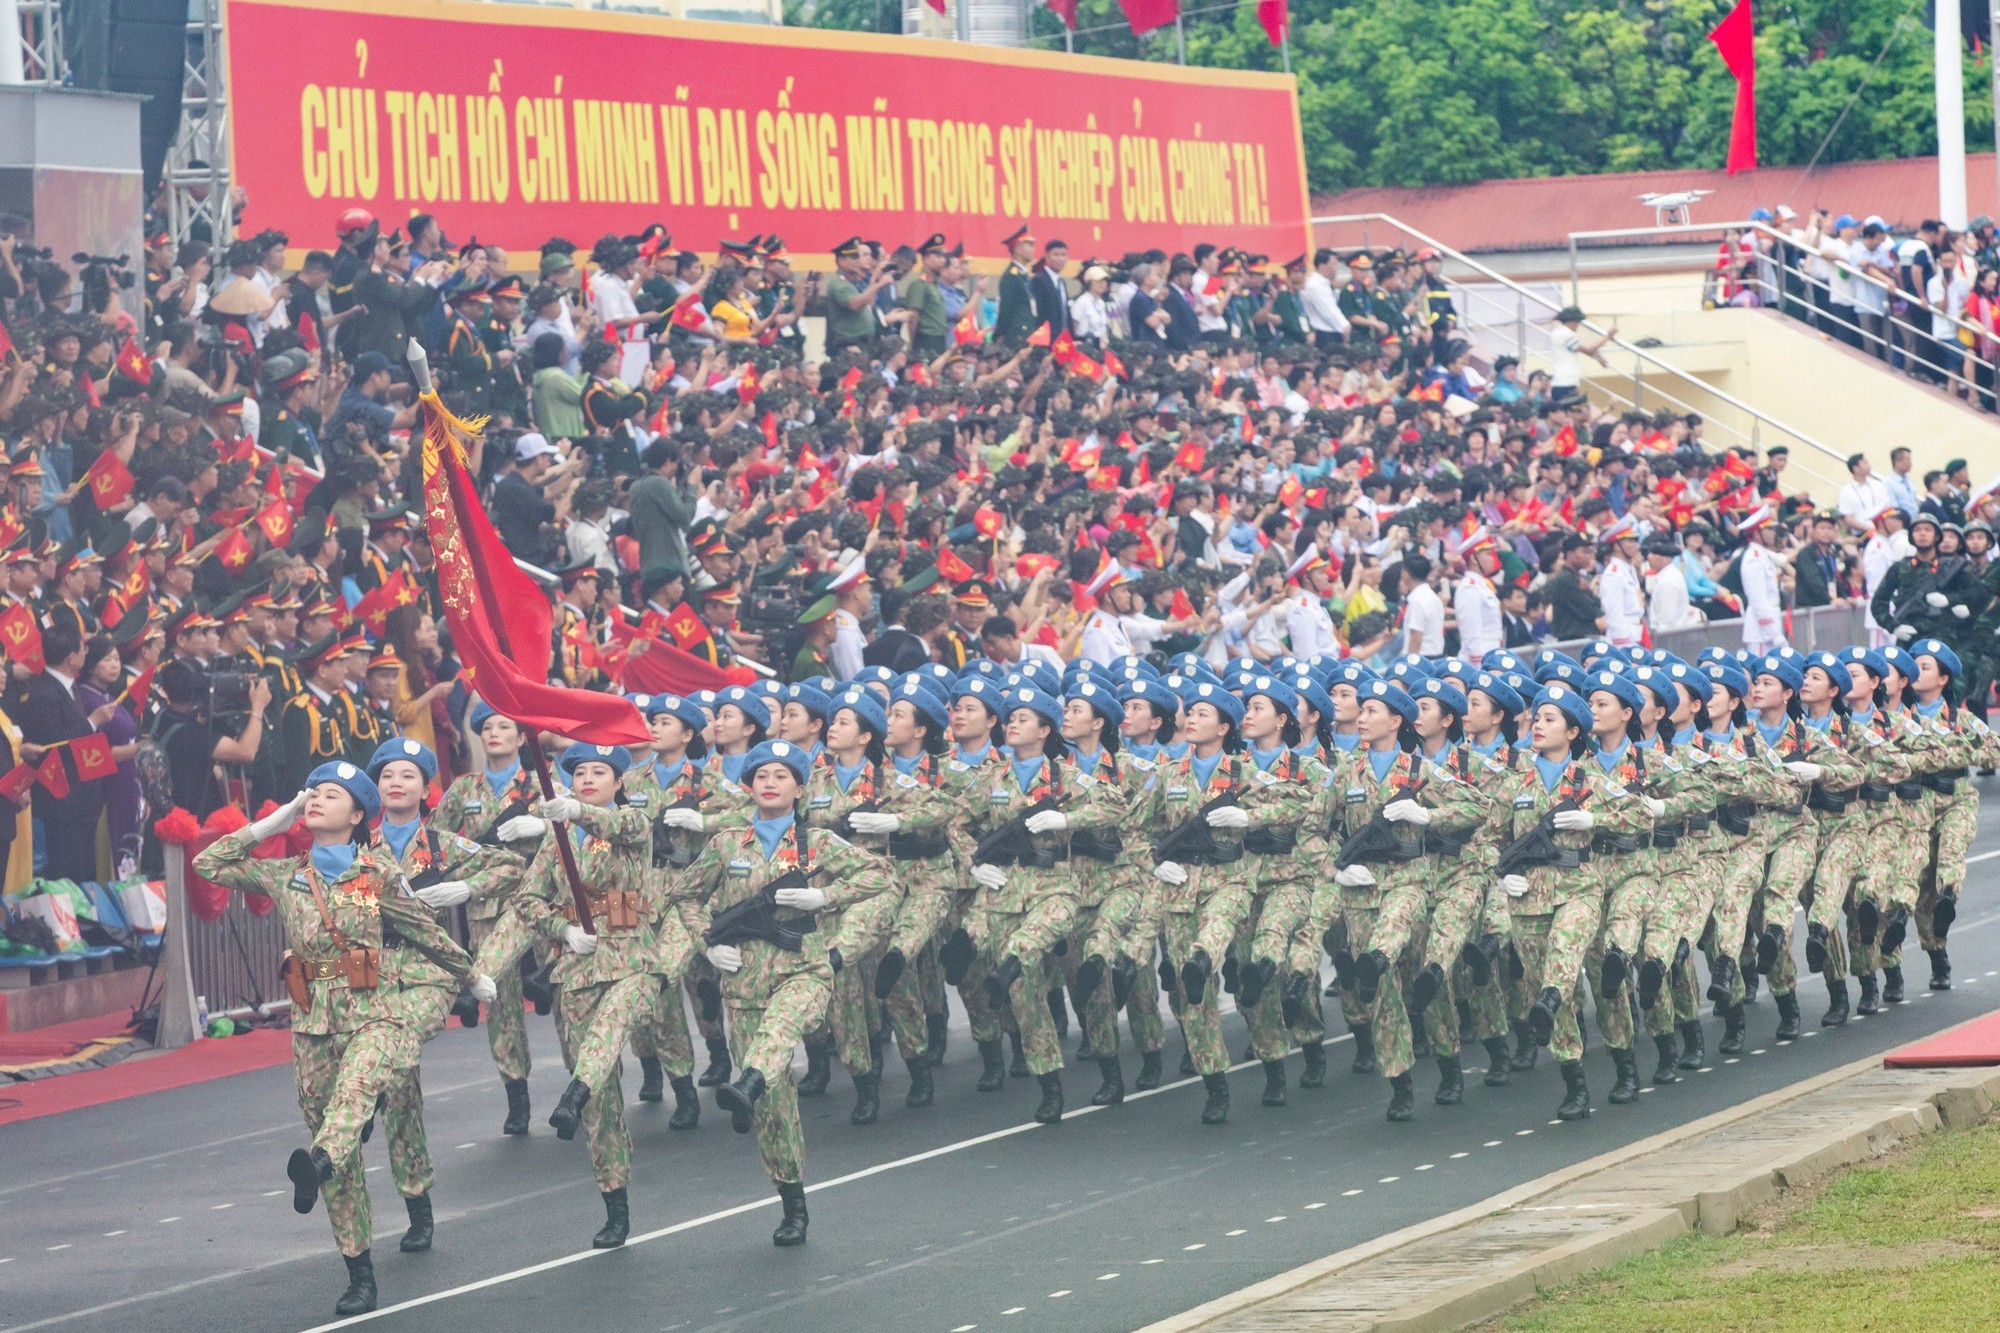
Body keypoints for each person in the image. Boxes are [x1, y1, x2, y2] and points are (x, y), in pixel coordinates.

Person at [192, 761, 492, 1318]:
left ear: (357, 815)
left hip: (372, 1010)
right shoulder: (285, 875)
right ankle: (358, 1269)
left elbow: (423, 931)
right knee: (333, 1137)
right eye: (311, 794)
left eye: (331, 796)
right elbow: (208, 863)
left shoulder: (376, 872)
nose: (315, 801)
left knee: (355, 1094)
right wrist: (269, 825)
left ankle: (327, 1159)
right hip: (311, 1023)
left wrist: (472, 976)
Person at [675, 738, 894, 1246]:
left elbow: (881, 873)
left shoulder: (816, 843)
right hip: (744, 977)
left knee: (778, 1033)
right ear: (749, 786)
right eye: (762, 776)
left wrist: (827, 895)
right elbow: (684, 896)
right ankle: (791, 1199)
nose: (770, 783)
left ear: (799, 787)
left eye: (781, 776)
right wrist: (706, 944)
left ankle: (747, 1080)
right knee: (773, 1102)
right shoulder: (728, 843)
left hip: (803, 969)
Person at [365, 738, 521, 1256]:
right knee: (402, 1095)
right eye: (387, 775)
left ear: (424, 788)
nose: (396, 783)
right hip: (367, 975)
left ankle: (368, 1097)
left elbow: (508, 867)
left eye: (407, 775)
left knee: (402, 1040)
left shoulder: (440, 844)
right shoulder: (356, 847)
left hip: (428, 972)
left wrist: (465, 889)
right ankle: (417, 1207)